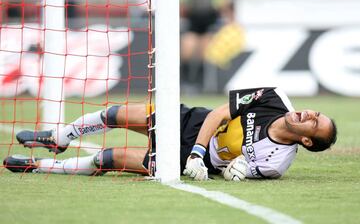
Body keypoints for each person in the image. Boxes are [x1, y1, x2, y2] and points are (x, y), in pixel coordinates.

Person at [3, 87, 337, 181]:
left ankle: (34, 166)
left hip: (182, 161)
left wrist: (237, 171)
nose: (309, 114)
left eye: (313, 123)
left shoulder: (276, 163)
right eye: (316, 113)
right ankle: (61, 137)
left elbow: (241, 171)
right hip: (193, 124)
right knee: (116, 114)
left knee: (109, 159)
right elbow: (221, 112)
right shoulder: (273, 98)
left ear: (306, 141)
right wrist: (199, 151)